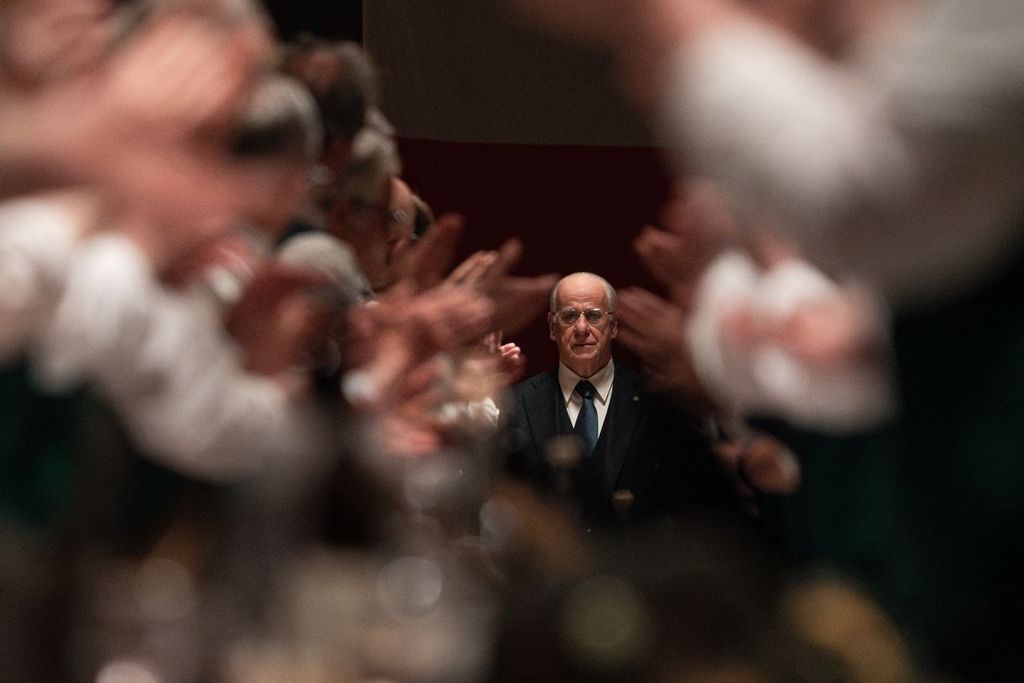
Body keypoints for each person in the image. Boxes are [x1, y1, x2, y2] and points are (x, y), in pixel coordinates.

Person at [502, 272, 735, 527]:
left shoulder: (656, 401)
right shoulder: (516, 402)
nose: (581, 329)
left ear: (613, 326)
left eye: (593, 316)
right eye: (569, 316)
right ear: (551, 327)